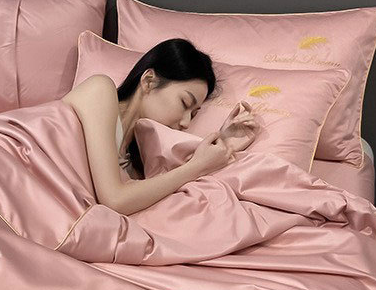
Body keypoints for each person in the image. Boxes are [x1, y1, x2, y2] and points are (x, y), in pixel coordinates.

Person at [61, 38, 259, 216]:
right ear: (149, 81)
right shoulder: (100, 89)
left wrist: (222, 144)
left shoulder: (135, 167)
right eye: (184, 103)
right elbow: (115, 200)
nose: (186, 123)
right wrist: (197, 167)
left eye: (193, 114)